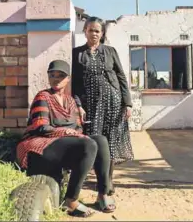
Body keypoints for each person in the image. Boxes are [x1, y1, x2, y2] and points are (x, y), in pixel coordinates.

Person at [16, 60, 116, 217]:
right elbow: (42, 127)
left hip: (61, 145)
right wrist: (68, 133)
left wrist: (74, 133)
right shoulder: (43, 97)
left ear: (68, 79)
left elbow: (77, 129)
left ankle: (103, 193)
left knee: (100, 140)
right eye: (52, 75)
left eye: (61, 76)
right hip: (39, 144)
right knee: (88, 144)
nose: (56, 79)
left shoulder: (70, 101)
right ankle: (70, 200)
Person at [72, 16, 134, 195]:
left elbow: (121, 77)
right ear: (85, 31)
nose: (94, 34)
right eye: (90, 30)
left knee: (111, 142)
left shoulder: (110, 51)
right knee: (94, 142)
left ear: (102, 33)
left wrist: (127, 103)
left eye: (97, 31)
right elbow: (75, 83)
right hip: (90, 105)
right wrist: (78, 105)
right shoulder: (77, 53)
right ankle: (99, 178)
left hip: (113, 103)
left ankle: (107, 182)